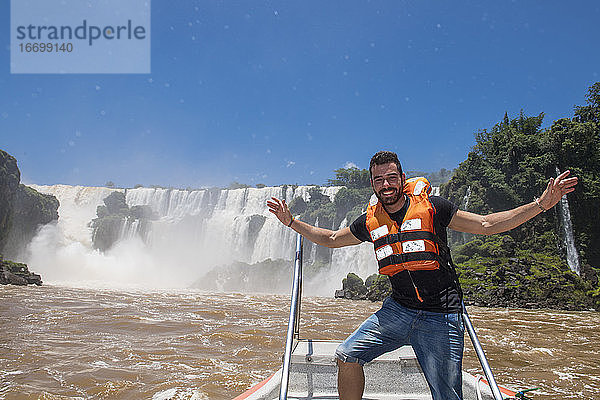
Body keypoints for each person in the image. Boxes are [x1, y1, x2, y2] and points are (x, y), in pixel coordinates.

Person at [266, 150, 578, 400]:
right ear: (372, 185)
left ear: (402, 178)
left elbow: (486, 224)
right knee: (347, 355)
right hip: (398, 310)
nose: (386, 185)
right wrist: (292, 222)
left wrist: (541, 204)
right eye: (379, 180)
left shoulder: (434, 206)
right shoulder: (370, 220)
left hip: (440, 316)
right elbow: (331, 239)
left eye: (391, 177)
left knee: (446, 395)